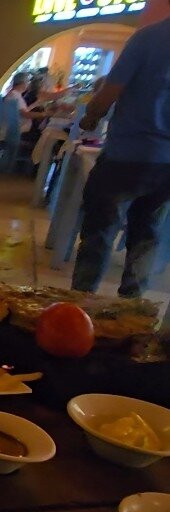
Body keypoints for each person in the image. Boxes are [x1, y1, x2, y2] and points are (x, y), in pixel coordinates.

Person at [71, 10, 170, 298]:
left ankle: (81, 303)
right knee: (146, 234)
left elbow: (110, 90)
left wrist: (91, 116)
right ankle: (131, 306)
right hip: (166, 163)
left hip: (126, 155)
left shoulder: (149, 38)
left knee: (99, 232)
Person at [4, 72, 51, 142]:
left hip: (18, 128)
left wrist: (35, 104)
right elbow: (26, 114)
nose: (28, 84)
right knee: (47, 133)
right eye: (28, 81)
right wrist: (44, 114)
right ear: (22, 83)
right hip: (19, 131)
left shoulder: (15, 94)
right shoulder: (15, 96)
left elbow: (22, 111)